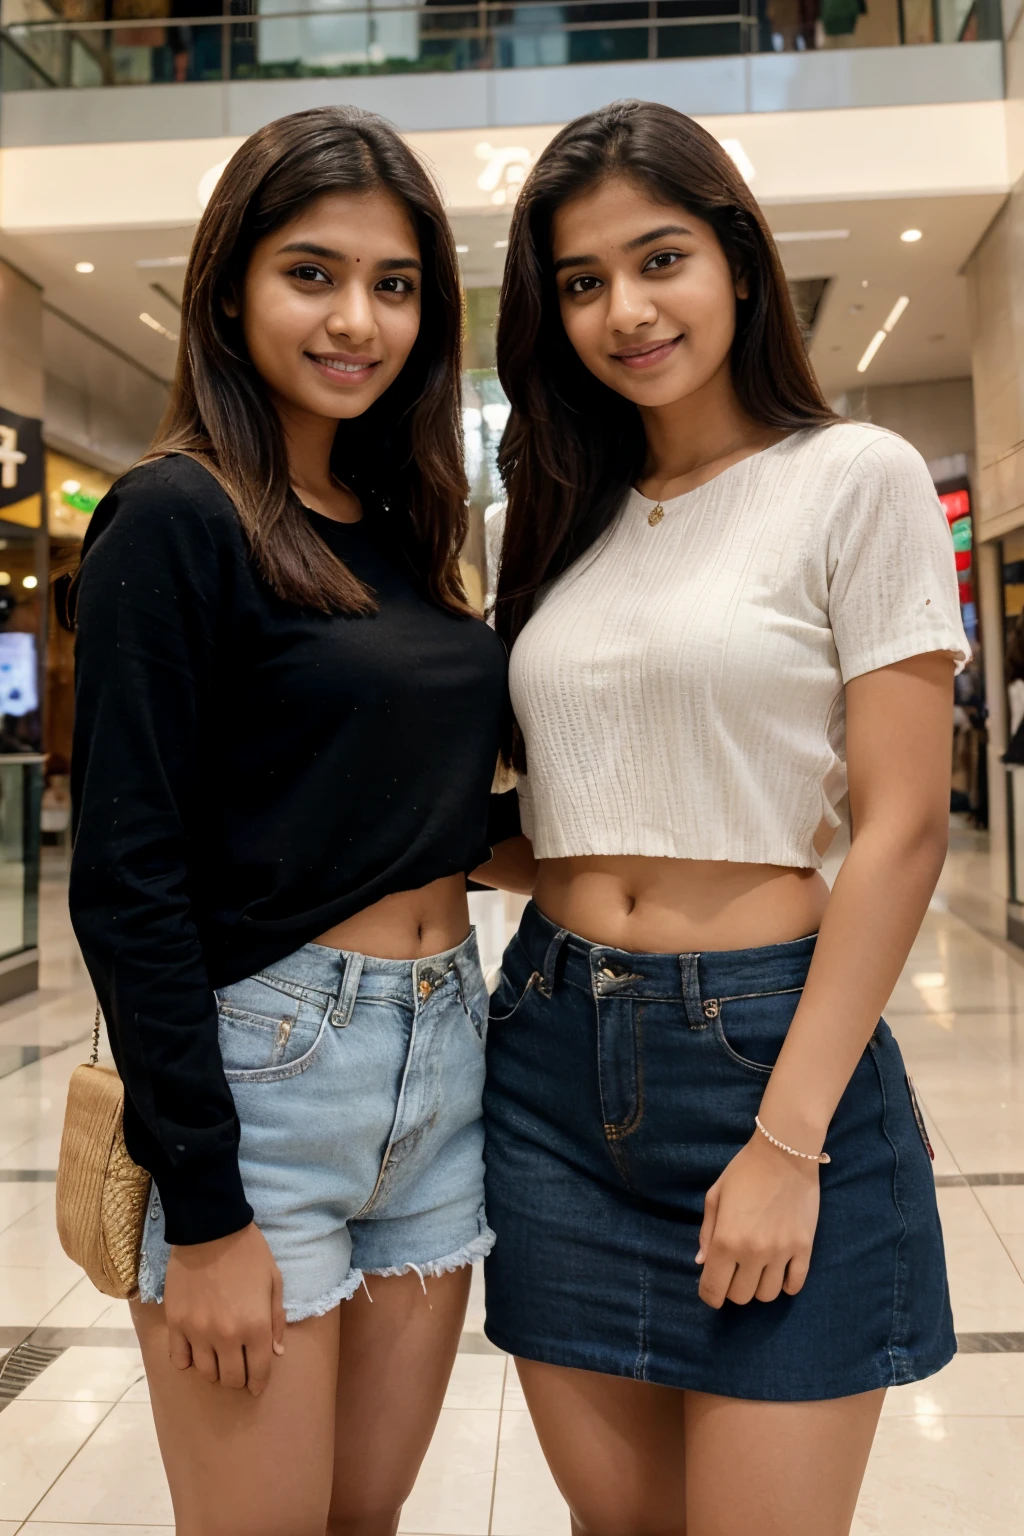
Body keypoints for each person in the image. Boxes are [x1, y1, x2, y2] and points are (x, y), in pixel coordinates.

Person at [475, 99, 967, 1536]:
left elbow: (902, 828)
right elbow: (570, 815)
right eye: (580, 281)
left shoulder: (852, 480)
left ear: (738, 264)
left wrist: (790, 1139)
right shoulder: (561, 519)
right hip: (551, 1062)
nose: (625, 309)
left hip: (764, 1058)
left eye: (661, 257)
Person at [69, 106, 512, 1536]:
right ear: (229, 289)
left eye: (394, 285)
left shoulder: (399, 524)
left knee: (363, 1520)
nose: (357, 320)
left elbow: (404, 810)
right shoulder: (177, 516)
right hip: (270, 1079)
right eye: (312, 274)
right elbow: (127, 877)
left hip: (445, 1064)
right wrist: (204, 1207)